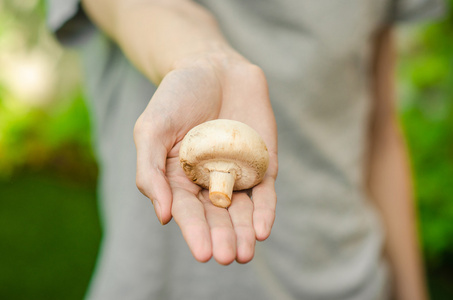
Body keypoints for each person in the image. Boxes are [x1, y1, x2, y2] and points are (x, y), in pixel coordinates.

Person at [46, 0, 444, 299]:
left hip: (350, 280)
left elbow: (379, 132)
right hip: (163, 287)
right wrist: (203, 57)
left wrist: (413, 293)